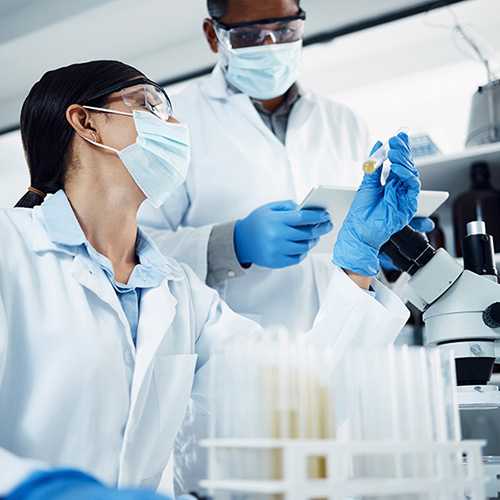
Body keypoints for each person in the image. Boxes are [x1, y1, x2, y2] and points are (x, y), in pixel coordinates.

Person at [0, 58, 417, 499]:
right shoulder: (11, 250)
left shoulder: (177, 291)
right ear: (87, 123)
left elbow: (294, 401)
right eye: (150, 105)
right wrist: (44, 491)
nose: (175, 124)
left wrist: (357, 262)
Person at [138, 0, 432, 336]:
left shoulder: (343, 122)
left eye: (285, 30)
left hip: (345, 338)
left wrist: (387, 248)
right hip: (238, 349)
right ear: (212, 35)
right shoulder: (176, 124)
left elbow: (355, 236)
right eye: (249, 34)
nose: (271, 46)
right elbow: (134, 250)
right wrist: (232, 245)